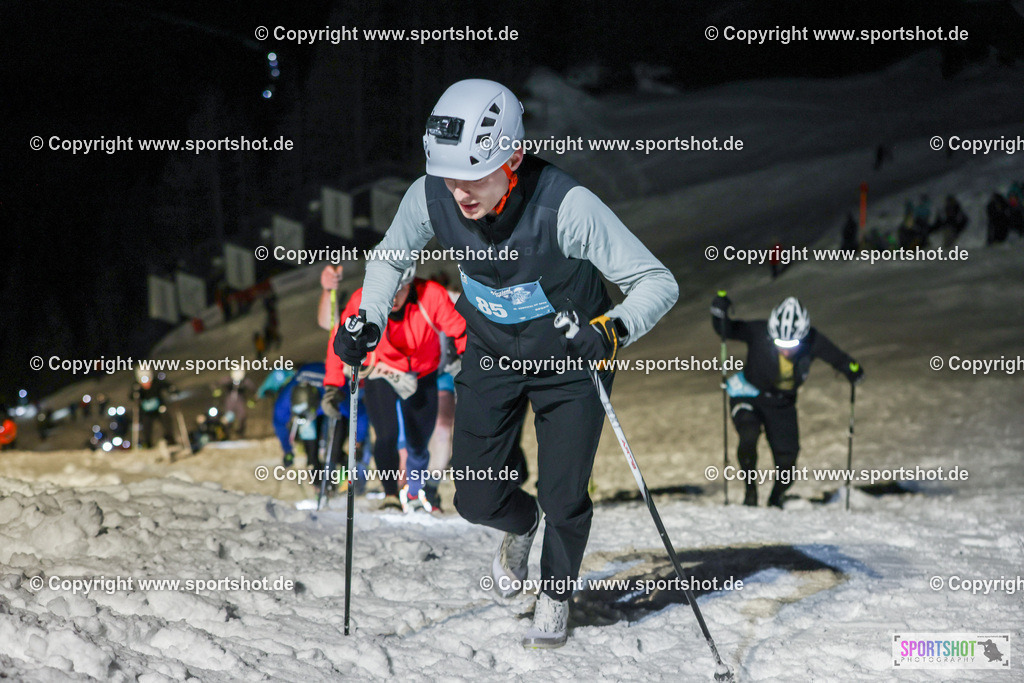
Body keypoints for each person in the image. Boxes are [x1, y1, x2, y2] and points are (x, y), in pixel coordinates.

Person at [334, 79, 678, 648]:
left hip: (570, 361)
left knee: (564, 494)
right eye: (450, 177)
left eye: (474, 177)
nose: (459, 193)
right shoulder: (431, 195)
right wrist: (368, 320)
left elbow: (655, 282)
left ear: (513, 157)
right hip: (491, 355)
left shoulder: (566, 207)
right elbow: (390, 259)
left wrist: (611, 329)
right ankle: (520, 528)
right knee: (474, 495)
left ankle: (555, 592)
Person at [326, 264, 466, 512]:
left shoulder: (431, 294)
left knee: (417, 444)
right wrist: (332, 384)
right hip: (382, 370)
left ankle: (414, 490)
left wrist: (473, 364)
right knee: (386, 435)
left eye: (401, 289)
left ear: (410, 284)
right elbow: (341, 339)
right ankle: (390, 494)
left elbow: (460, 329)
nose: (394, 297)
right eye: (389, 289)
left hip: (422, 373)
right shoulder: (363, 298)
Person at [711, 295, 863, 508]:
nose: (785, 350)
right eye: (779, 343)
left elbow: (838, 358)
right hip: (748, 393)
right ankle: (750, 491)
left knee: (787, 463)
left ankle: (775, 499)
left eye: (792, 345)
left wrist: (853, 370)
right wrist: (719, 313)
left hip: (782, 404)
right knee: (748, 432)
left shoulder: (813, 340)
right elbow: (726, 329)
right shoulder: (758, 331)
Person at [130, 367, 177, 448]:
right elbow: (131, 396)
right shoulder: (137, 386)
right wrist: (135, 393)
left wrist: (172, 389)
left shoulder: (156, 382)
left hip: (159, 409)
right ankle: (148, 444)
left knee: (166, 421)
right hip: (146, 411)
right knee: (146, 427)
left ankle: (170, 440)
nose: (146, 383)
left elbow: (166, 385)